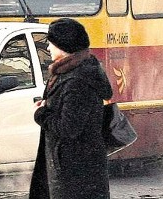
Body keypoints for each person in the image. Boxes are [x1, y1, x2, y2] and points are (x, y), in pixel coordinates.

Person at [29, 18, 113, 199]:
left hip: (75, 173)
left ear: (63, 46)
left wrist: (41, 113)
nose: (49, 48)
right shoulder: (68, 74)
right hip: (74, 169)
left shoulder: (77, 81)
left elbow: (69, 128)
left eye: (51, 44)